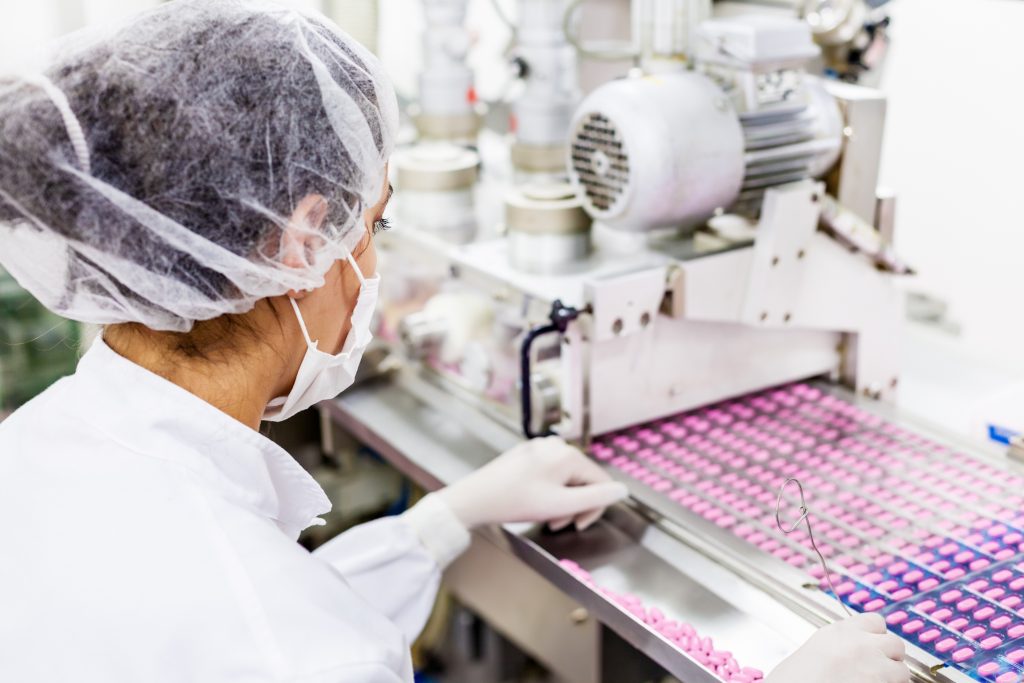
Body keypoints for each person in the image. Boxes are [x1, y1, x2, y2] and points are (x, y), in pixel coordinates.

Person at [0, 2, 909, 682]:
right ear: (301, 240)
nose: (376, 260)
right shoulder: (282, 643)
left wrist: (443, 520)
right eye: (376, 227)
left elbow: (272, 609)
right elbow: (283, 639)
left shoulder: (40, 446)